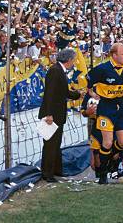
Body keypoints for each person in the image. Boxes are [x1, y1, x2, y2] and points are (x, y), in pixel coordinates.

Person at [87, 42, 123, 184]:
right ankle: (102, 174)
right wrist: (92, 94)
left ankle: (109, 161)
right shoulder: (102, 69)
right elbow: (88, 82)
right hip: (106, 107)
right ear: (114, 55)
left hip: (121, 106)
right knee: (106, 142)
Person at [37, 48, 81, 182]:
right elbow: (49, 93)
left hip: (58, 114)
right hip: (53, 115)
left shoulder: (59, 70)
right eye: (73, 60)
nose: (74, 63)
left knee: (56, 144)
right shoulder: (55, 71)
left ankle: (56, 170)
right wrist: (49, 114)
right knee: (50, 145)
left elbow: (64, 92)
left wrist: (78, 94)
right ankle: (47, 174)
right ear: (68, 60)